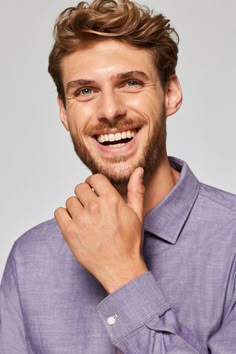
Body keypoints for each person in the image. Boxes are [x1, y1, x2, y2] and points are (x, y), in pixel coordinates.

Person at [0, 0, 236, 352]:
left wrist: (124, 275)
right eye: (85, 91)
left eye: (129, 83)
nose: (109, 110)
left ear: (170, 94)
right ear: (64, 112)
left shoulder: (231, 241)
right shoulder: (30, 258)